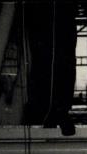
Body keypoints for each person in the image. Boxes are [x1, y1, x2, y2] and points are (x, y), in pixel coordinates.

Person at [24, 0, 77, 135]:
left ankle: (54, 109)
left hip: (52, 12)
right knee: (57, 59)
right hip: (51, 12)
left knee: (58, 58)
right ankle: (54, 109)